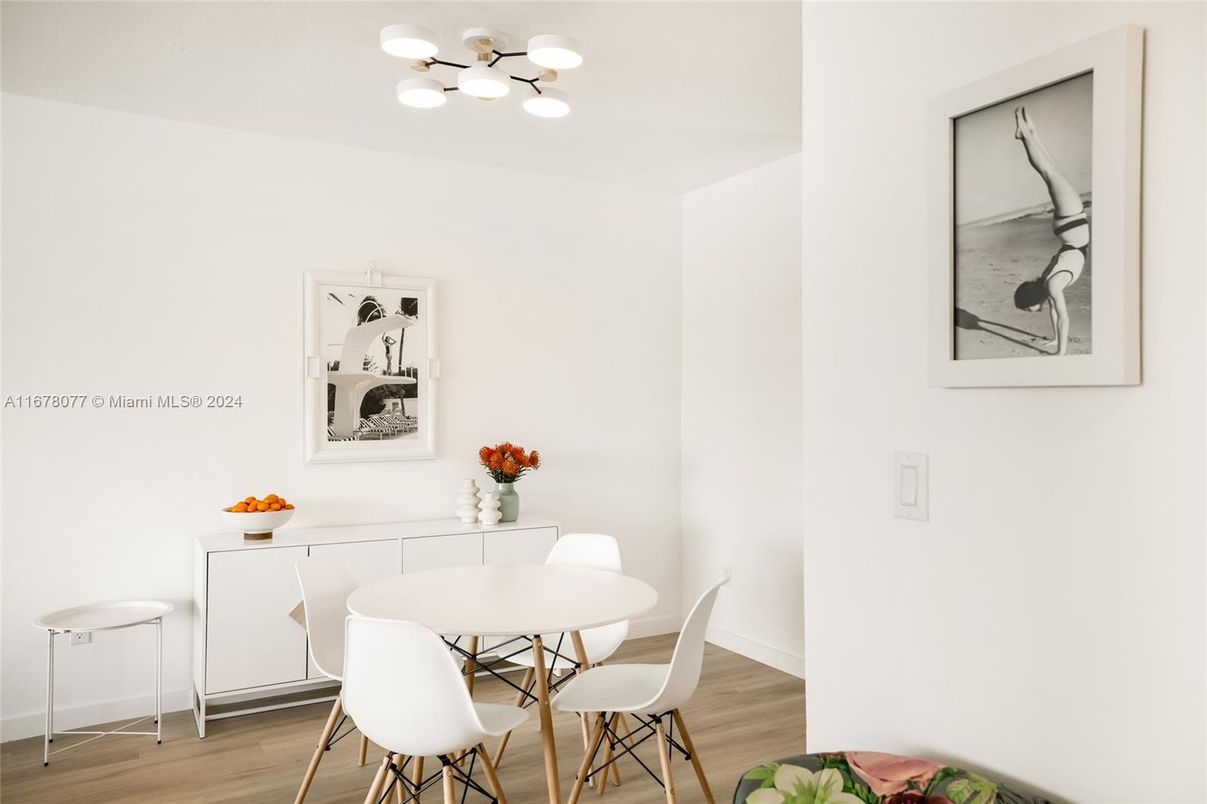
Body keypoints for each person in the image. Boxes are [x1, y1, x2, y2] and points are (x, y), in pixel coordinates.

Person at [1011, 106, 1089, 356]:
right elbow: (1056, 312)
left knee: (1048, 171)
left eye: (1026, 309)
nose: (1027, 313)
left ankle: (1025, 135)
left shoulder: (1052, 285)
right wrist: (1056, 340)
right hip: (1068, 229)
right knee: (1050, 170)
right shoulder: (1048, 284)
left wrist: (1060, 355)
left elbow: (1064, 319)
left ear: (1034, 300)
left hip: (1073, 224)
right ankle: (1031, 133)